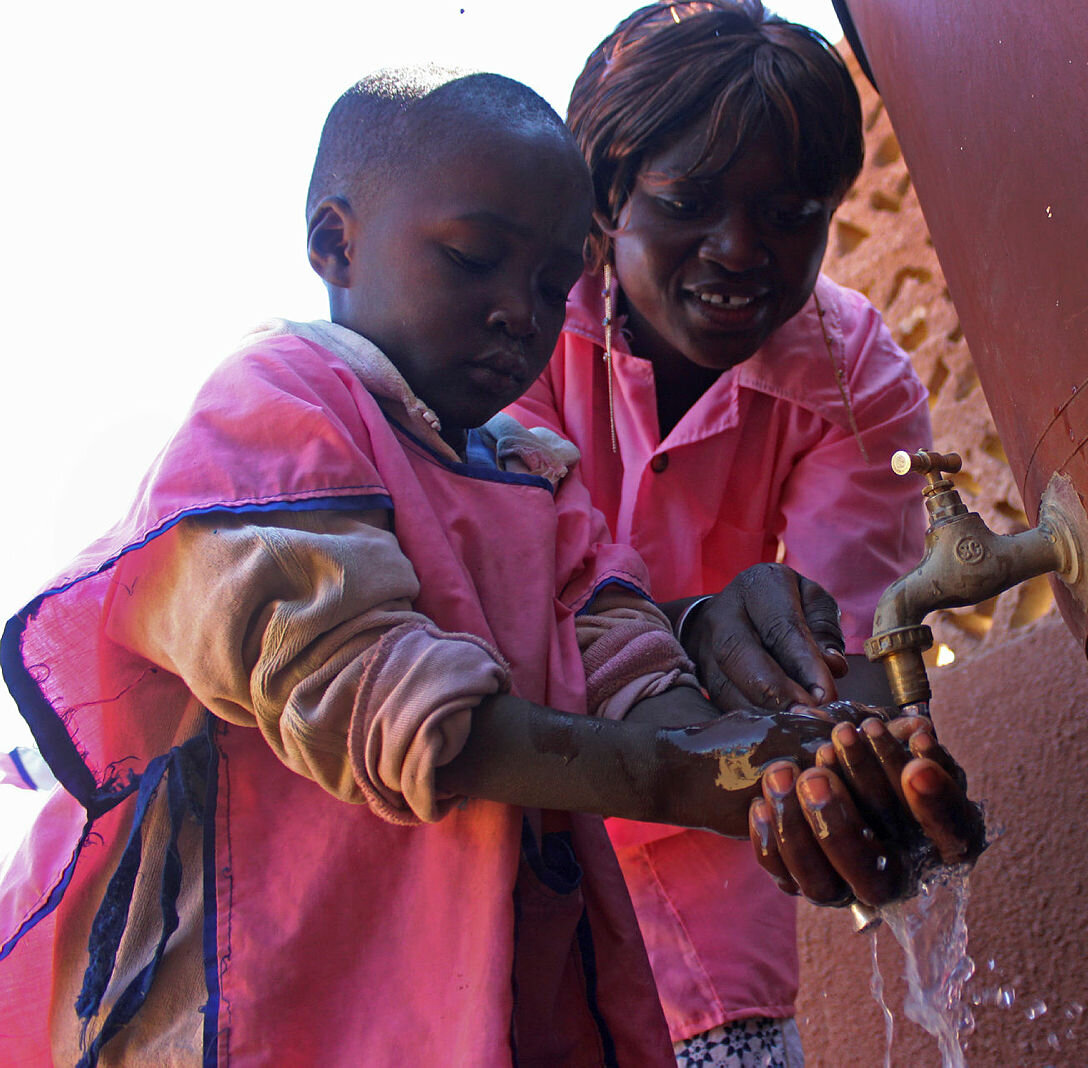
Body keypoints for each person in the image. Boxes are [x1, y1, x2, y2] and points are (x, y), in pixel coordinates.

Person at [0, 66, 977, 1066]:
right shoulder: (275, 415)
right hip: (234, 996)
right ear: (334, 241)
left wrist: (797, 764)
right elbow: (375, 700)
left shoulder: (533, 477)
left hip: (450, 1002)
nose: (519, 311)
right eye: (474, 260)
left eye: (552, 284)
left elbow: (633, 678)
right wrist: (693, 778)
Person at [505, 3, 940, 1062]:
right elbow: (504, 590)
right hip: (511, 771)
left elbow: (848, 651)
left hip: (719, 810)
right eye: (689, 202)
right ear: (606, 200)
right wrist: (694, 627)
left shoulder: (855, 379)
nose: (742, 251)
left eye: (791, 212)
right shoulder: (507, 313)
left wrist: (868, 765)